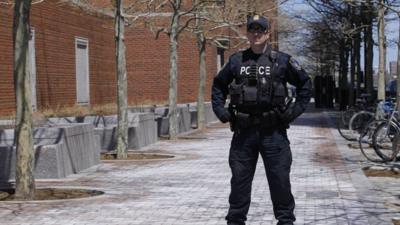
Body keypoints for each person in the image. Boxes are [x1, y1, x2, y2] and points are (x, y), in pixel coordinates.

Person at [211, 14, 312, 225]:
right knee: (239, 183)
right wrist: (221, 112)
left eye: (261, 30)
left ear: (268, 33)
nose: (256, 34)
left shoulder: (282, 60)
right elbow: (218, 86)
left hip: (273, 132)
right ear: (247, 33)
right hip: (244, 133)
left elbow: (306, 84)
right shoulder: (236, 60)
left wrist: (292, 112)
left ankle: (285, 221)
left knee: (280, 182)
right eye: (252, 30)